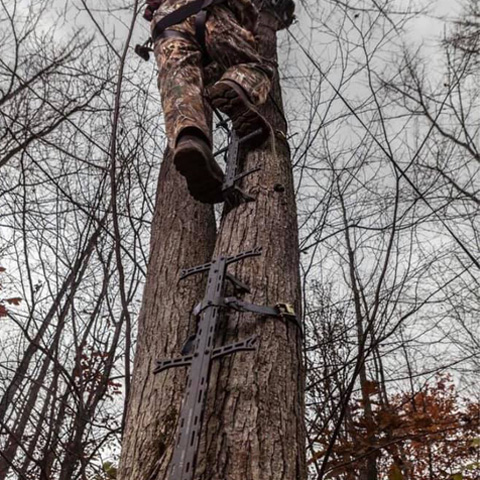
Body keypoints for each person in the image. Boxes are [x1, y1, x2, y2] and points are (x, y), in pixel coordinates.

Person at [146, 0, 274, 203]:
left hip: (166, 24)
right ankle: (237, 85)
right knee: (252, 68)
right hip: (210, 9)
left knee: (182, 86)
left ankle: (191, 139)